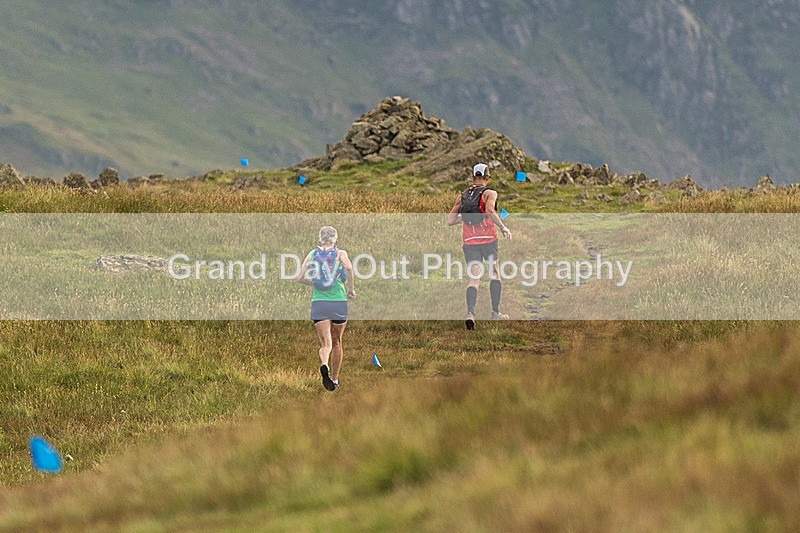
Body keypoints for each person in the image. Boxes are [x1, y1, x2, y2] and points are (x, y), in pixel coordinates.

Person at [447, 163, 512, 330]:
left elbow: (450, 221)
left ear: (472, 177)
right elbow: (490, 211)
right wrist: (503, 227)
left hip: (470, 241)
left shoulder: (462, 196)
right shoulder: (490, 193)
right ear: (487, 178)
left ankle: (470, 314)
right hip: (489, 240)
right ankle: (495, 313)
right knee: (495, 274)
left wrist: (465, 217)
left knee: (473, 278)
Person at [295, 226, 356, 391]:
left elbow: (299, 277)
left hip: (319, 302)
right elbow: (349, 268)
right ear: (335, 239)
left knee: (326, 344)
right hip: (338, 302)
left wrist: (313, 283)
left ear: (319, 239)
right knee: (337, 342)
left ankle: (324, 364)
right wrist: (351, 289)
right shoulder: (340, 253)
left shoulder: (313, 254)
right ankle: (335, 380)